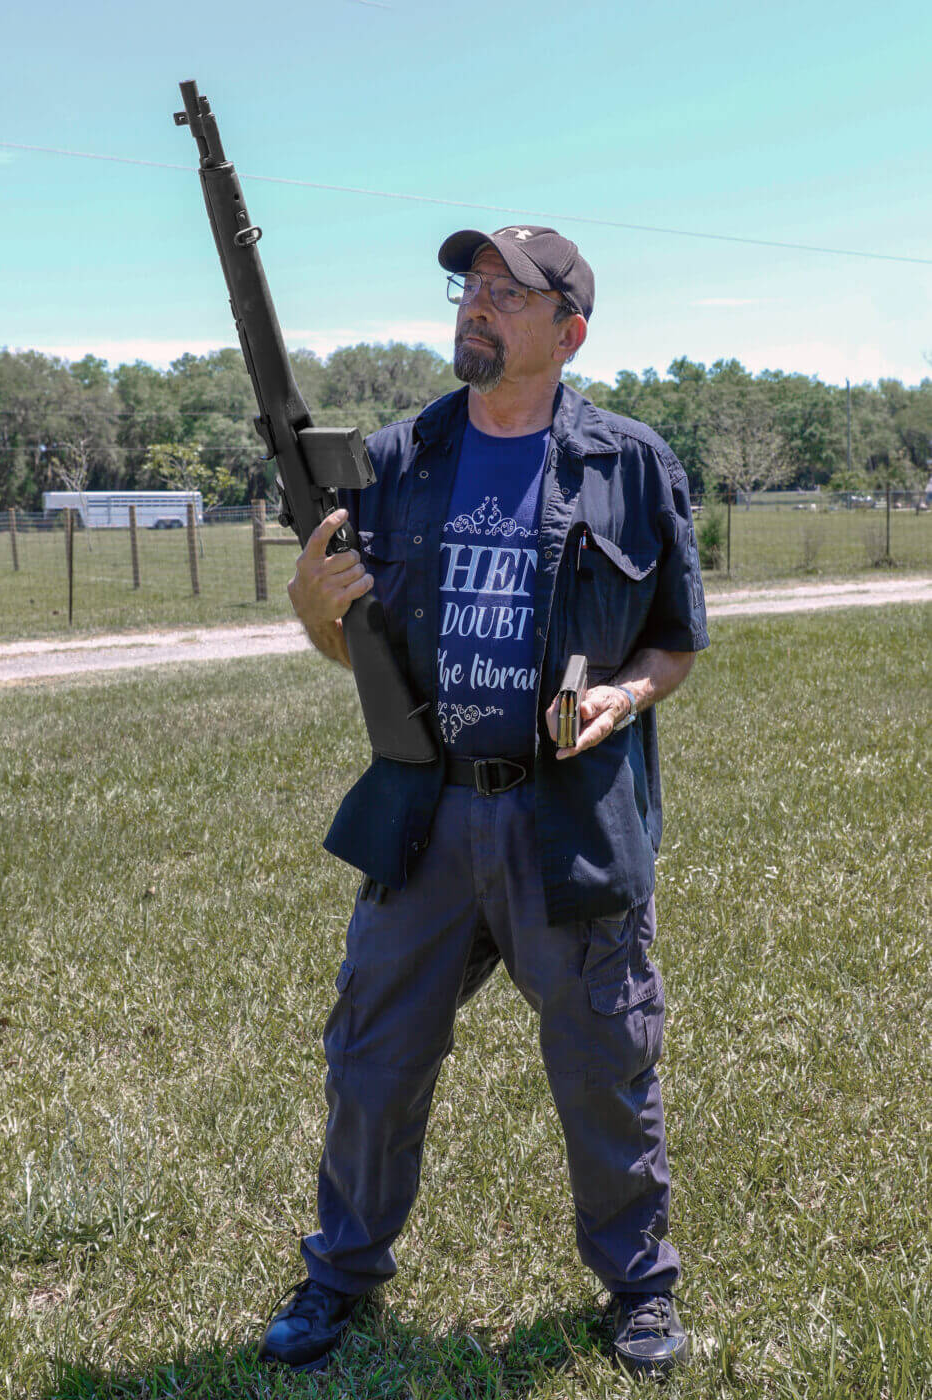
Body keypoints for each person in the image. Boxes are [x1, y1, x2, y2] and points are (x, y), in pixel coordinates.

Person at [259, 226, 709, 1381]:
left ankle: (639, 1286)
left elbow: (675, 644)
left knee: (607, 1057)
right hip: (429, 816)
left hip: (570, 815)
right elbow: (341, 642)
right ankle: (340, 1274)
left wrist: (621, 693)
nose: (478, 307)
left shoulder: (633, 463)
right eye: (471, 288)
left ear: (568, 330)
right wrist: (314, 599)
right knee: (372, 1057)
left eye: (510, 294)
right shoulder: (400, 456)